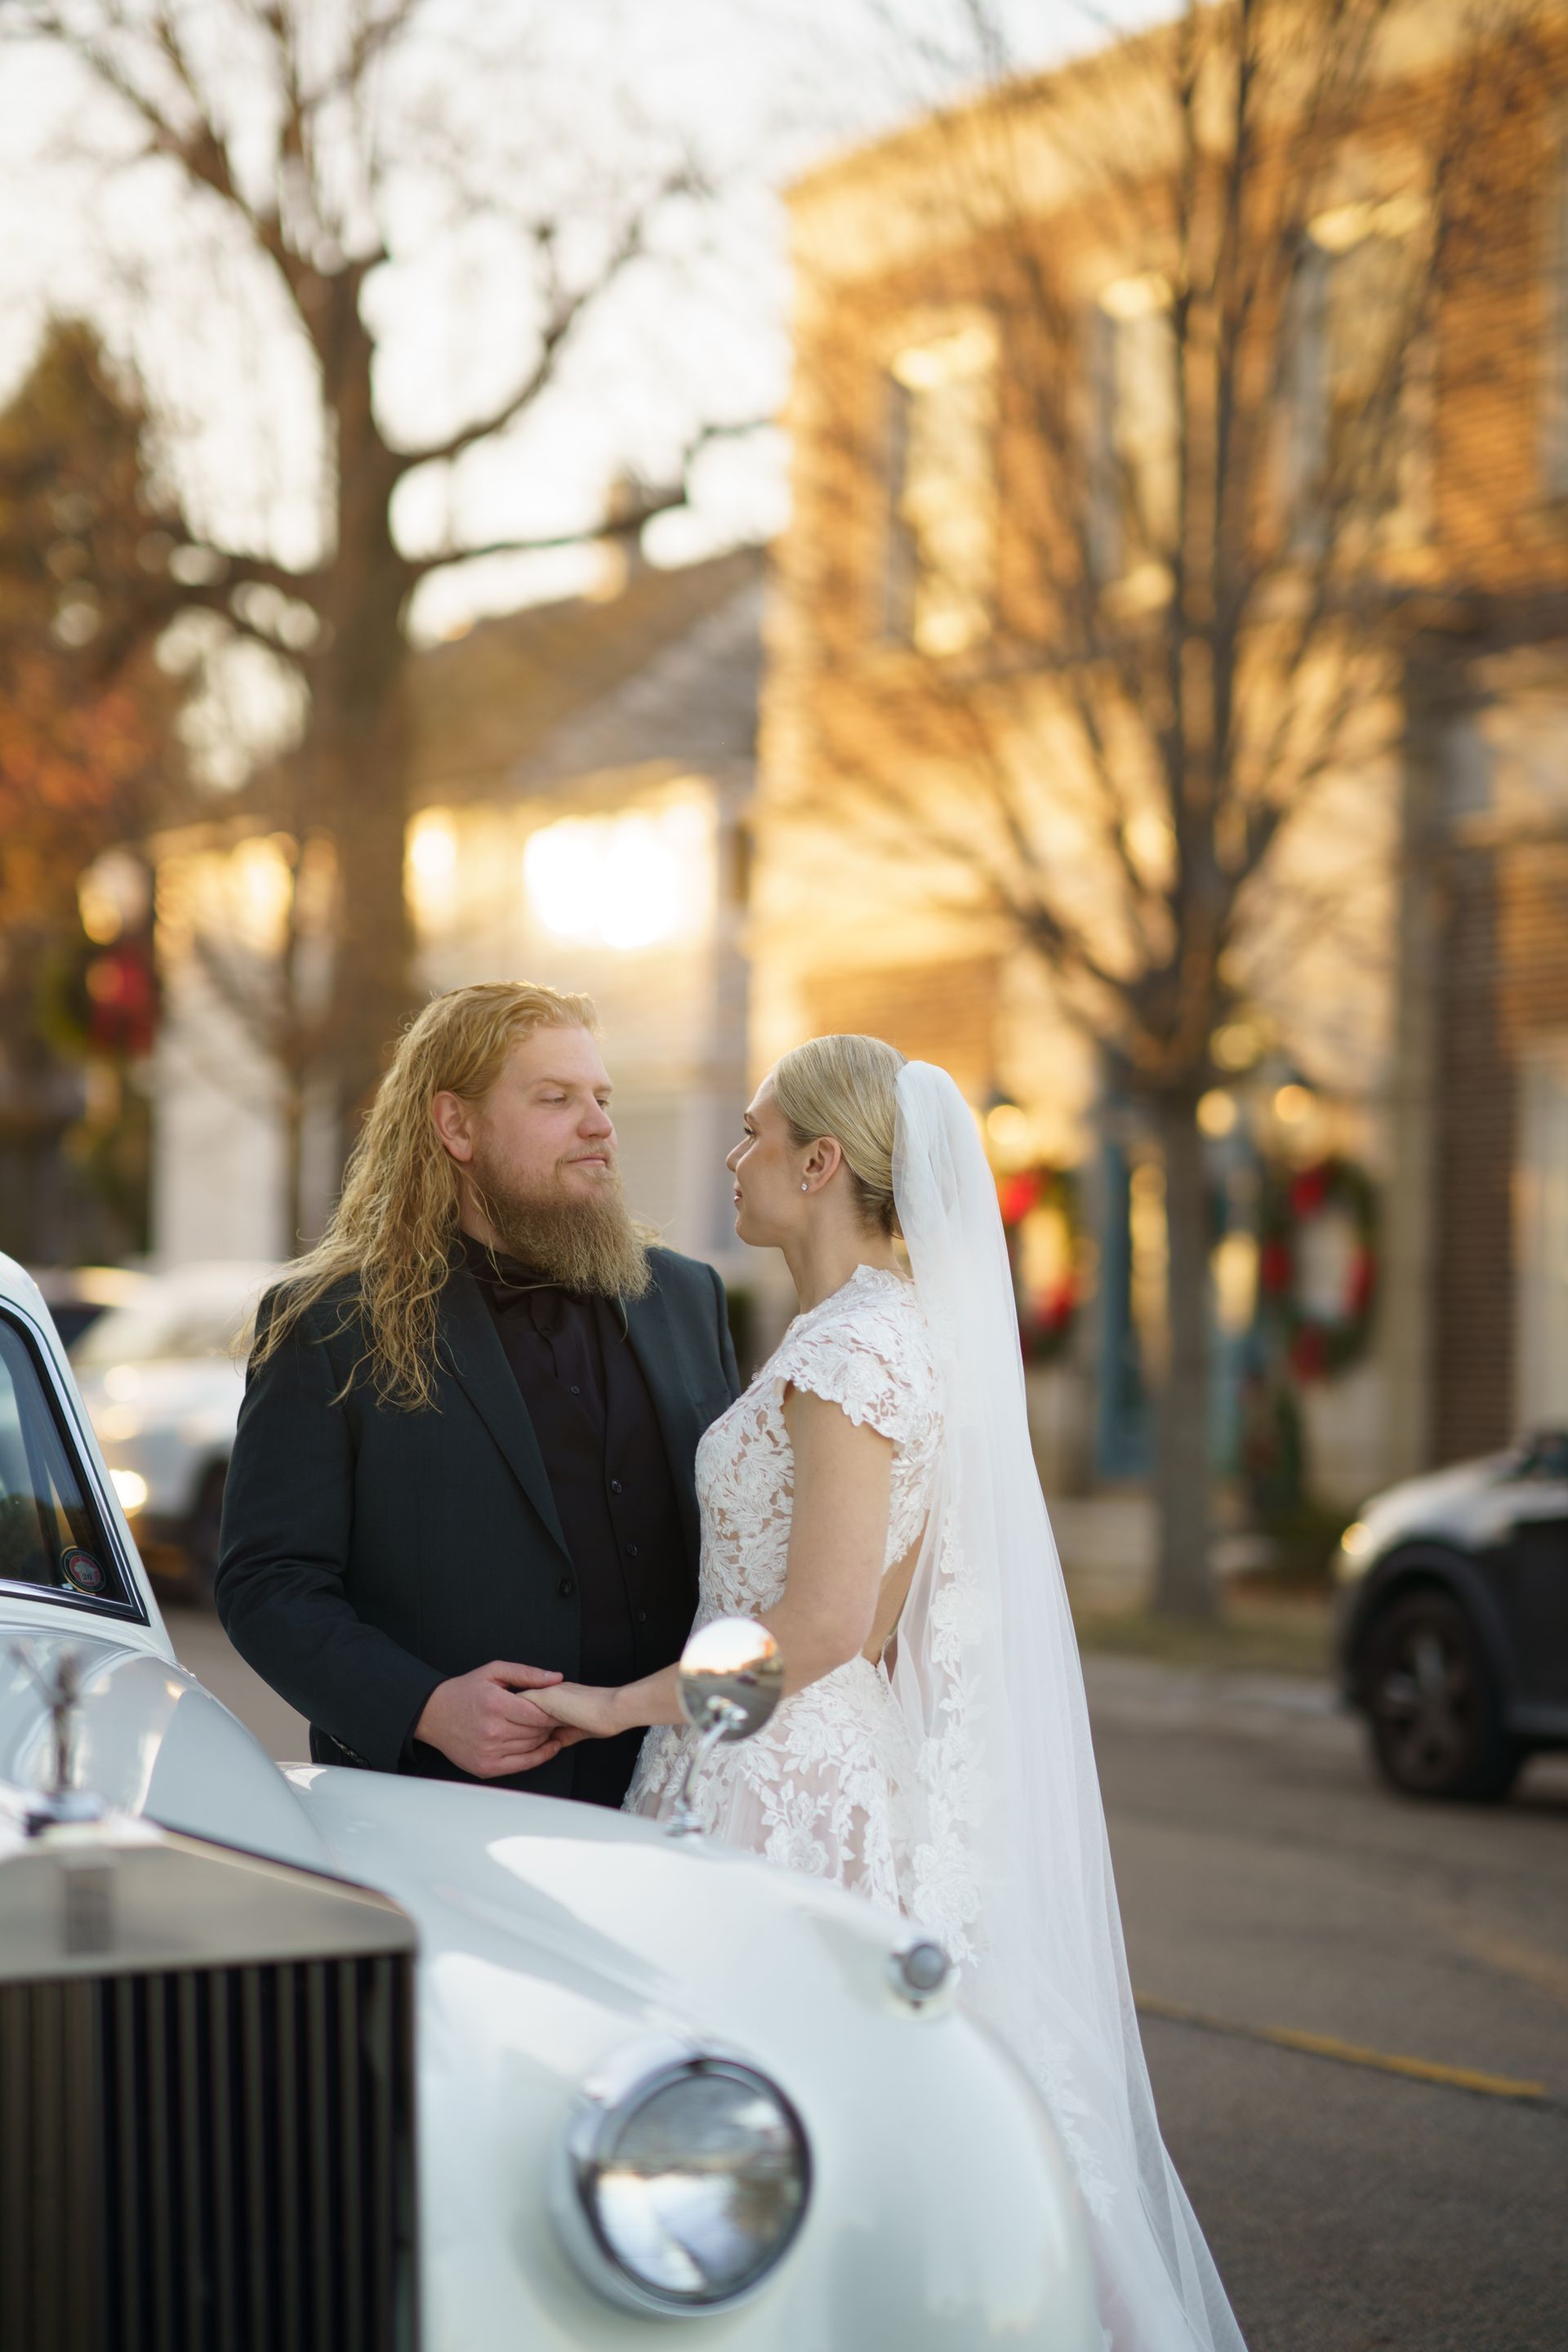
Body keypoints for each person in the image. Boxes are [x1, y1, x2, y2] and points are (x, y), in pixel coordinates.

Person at [530, 1034, 1249, 2352]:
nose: (732, 1161)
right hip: (811, 1745)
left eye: (753, 1136)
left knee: (754, 2128)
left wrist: (617, 1705)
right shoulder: (880, 1333)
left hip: (778, 1768)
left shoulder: (849, 1353)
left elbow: (823, 1623)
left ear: (821, 1163)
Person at [214, 980, 739, 1809]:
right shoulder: (330, 1321)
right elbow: (268, 1584)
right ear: (456, 1125)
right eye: (556, 1098)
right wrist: (422, 1706)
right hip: (441, 1814)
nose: (599, 1123)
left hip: (687, 1800)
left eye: (601, 1097)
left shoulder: (687, 1298)